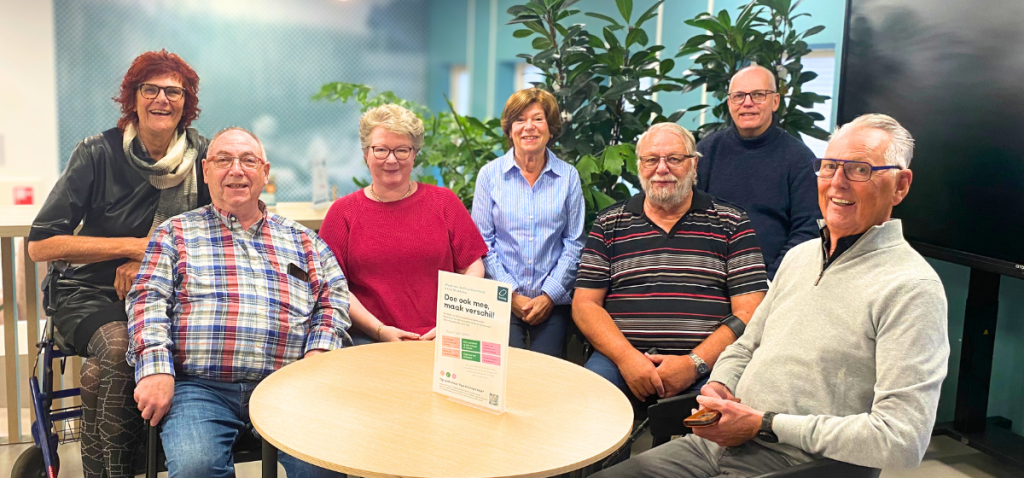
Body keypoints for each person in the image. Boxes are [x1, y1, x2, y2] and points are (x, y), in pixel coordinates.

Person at [595, 114, 949, 477]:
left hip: (795, 464)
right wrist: (719, 384)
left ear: (900, 185)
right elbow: (747, 344)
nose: (837, 183)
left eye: (860, 170)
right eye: (829, 167)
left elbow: (902, 439)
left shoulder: (911, 288)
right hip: (715, 445)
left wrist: (765, 424)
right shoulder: (800, 258)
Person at [27, 49, 209, 478]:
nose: (162, 99)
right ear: (133, 97)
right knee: (117, 349)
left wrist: (150, 264)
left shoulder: (204, 154)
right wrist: (132, 247)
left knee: (184, 345)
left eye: (173, 91)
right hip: (88, 293)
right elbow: (40, 245)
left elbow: (217, 227)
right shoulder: (96, 153)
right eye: (151, 89)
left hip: (167, 289)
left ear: (186, 102)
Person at [127, 127, 349, 477]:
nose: (236, 170)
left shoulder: (305, 241)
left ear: (265, 171)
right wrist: (155, 368)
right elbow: (147, 302)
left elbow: (333, 301)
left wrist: (317, 357)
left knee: (323, 468)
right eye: (223, 160)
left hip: (287, 384)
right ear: (205, 170)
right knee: (195, 469)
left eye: (248, 160)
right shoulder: (175, 233)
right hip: (200, 388)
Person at [573, 122, 768, 405]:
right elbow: (585, 305)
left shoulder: (732, 222)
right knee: (589, 401)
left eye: (674, 159)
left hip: (707, 363)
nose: (661, 169)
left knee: (724, 414)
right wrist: (628, 358)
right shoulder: (609, 223)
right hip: (619, 358)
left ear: (694, 166)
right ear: (640, 166)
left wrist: (693, 364)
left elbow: (750, 311)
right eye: (651, 159)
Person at [319, 104, 488, 344]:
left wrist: (452, 324)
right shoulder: (342, 213)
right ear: (366, 153)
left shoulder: (444, 202)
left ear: (415, 154)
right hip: (370, 341)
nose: (391, 159)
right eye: (381, 150)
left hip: (441, 339)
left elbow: (472, 266)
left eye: (402, 150)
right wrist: (378, 330)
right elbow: (333, 285)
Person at [471, 88, 584, 357]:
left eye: (538, 119)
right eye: (520, 120)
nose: (529, 127)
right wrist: (510, 294)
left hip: (552, 302)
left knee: (546, 374)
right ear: (510, 130)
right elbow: (482, 243)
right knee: (506, 372)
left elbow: (574, 243)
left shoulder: (568, 177)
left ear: (550, 128)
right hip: (501, 299)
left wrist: (549, 295)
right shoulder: (489, 176)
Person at [696, 64, 821, 280]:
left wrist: (768, 283)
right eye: (739, 96)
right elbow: (687, 217)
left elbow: (807, 233)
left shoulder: (800, 159)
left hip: (770, 282)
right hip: (707, 278)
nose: (747, 103)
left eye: (758, 95)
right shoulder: (706, 151)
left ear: (775, 102)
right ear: (729, 103)